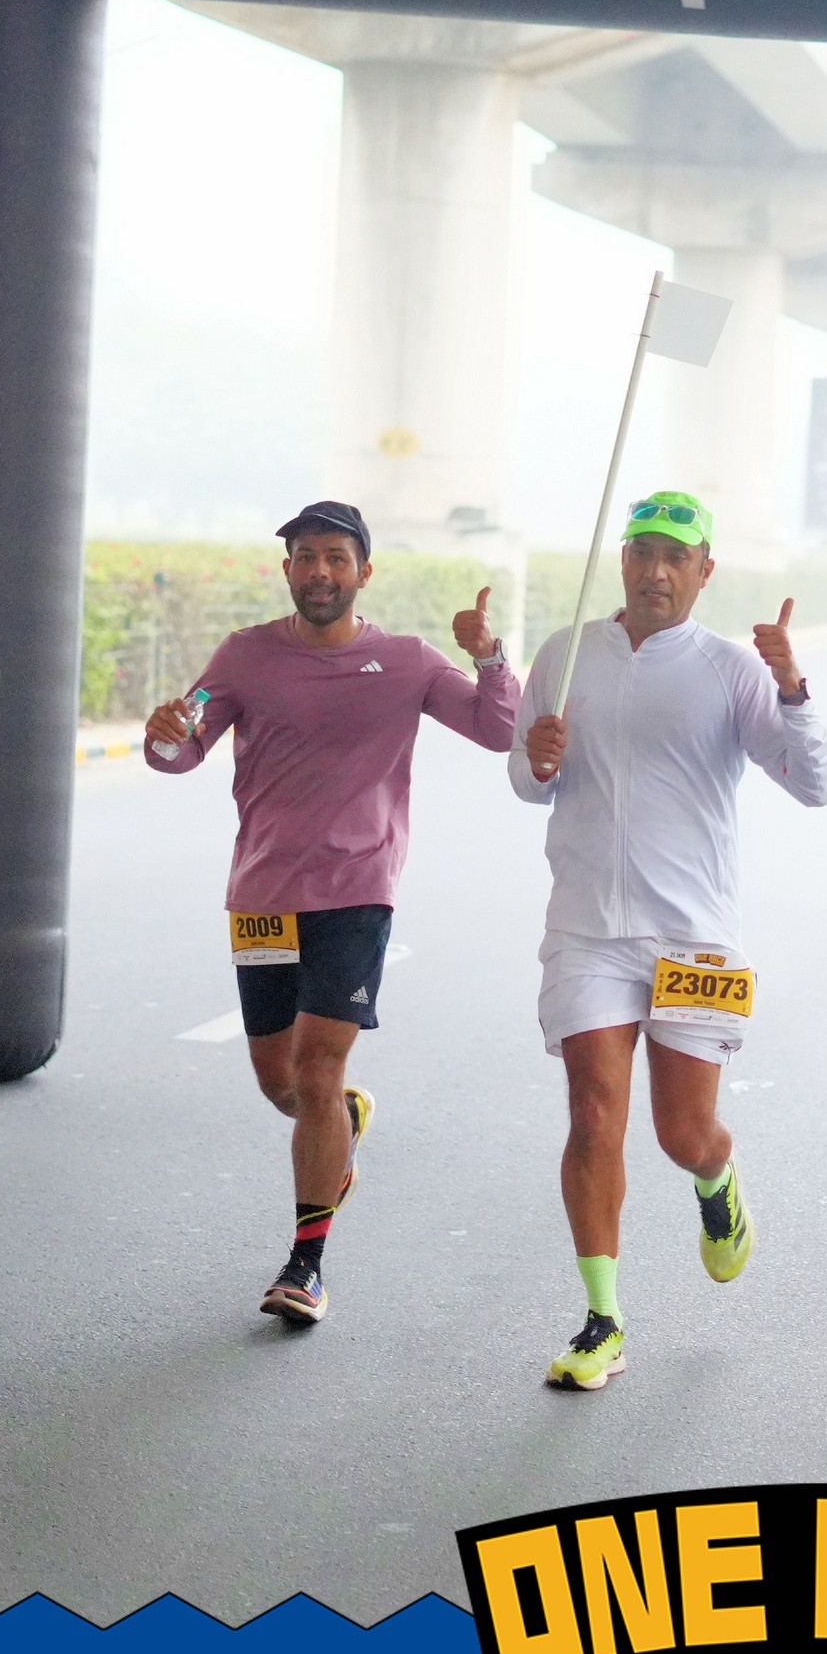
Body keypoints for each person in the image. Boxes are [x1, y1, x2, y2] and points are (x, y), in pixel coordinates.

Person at [145, 500, 520, 1326]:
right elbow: (180, 752)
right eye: (306, 557)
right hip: (262, 895)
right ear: (287, 569)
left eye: (335, 558)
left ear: (363, 573)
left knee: (317, 1070)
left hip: (357, 887)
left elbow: (499, 732)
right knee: (281, 1083)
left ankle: (305, 1266)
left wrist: (489, 657)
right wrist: (165, 730)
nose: (320, 572)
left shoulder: (407, 660)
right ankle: (343, 1122)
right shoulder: (244, 656)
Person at [511, 491, 827, 1391]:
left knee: (682, 1132)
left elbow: (814, 784)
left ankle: (717, 1177)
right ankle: (601, 1320)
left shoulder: (730, 670)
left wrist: (792, 689)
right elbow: (527, 784)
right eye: (642, 552)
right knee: (593, 1114)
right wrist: (536, 757)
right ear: (621, 559)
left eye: (676, 557)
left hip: (695, 939)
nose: (656, 571)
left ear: (704, 571)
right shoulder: (566, 654)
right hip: (588, 929)